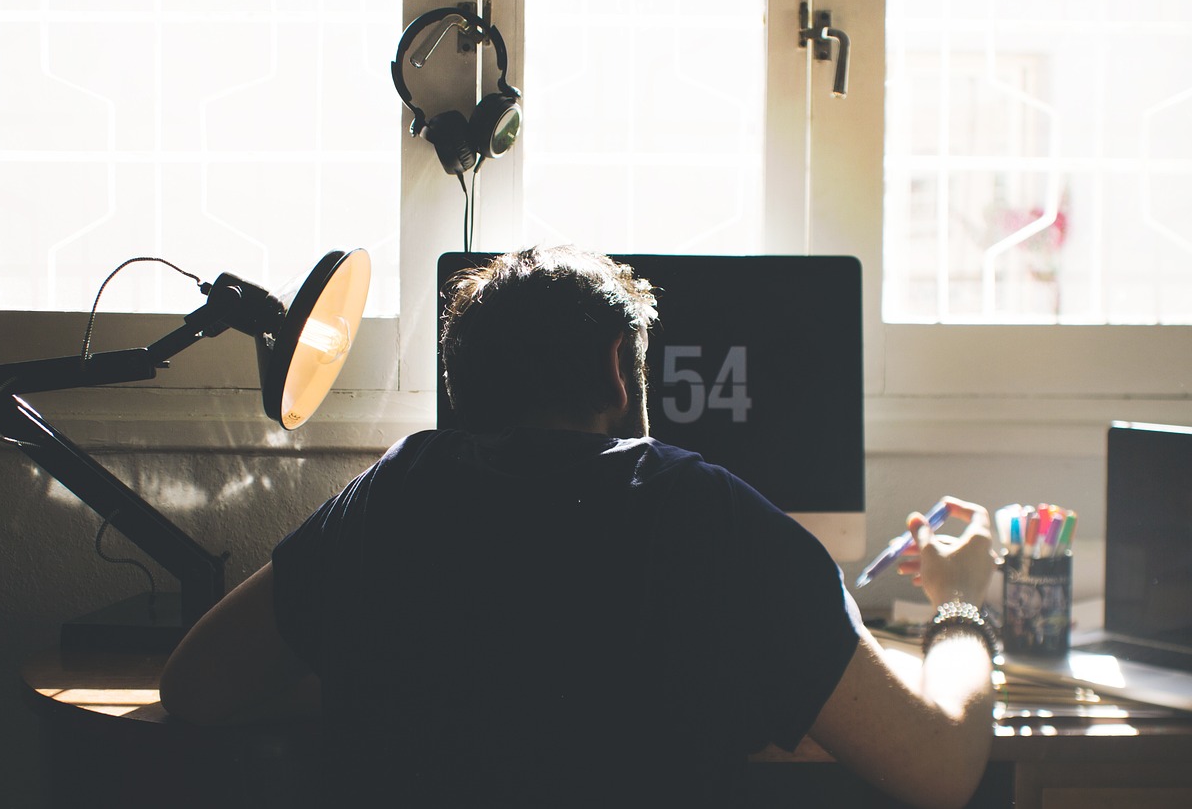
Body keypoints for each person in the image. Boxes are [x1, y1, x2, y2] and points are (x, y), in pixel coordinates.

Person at [161, 246, 997, 809]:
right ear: (614, 370)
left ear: (465, 383)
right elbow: (942, 769)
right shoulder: (711, 513)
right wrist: (958, 604)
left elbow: (193, 687)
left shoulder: (394, 493)